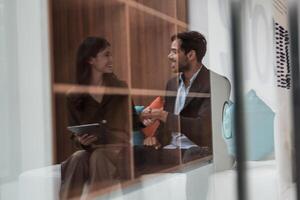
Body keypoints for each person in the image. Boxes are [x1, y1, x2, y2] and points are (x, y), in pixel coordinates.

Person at [60, 37, 141, 199]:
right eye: (106, 55)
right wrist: (81, 141)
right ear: (91, 60)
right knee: (77, 158)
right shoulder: (73, 96)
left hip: (119, 151)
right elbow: (73, 135)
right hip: (92, 150)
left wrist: (144, 120)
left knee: (99, 157)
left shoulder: (120, 88)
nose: (111, 59)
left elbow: (133, 123)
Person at [138, 31, 212, 169]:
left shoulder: (213, 83)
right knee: (132, 155)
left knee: (191, 156)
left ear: (191, 55)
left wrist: (163, 115)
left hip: (195, 150)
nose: (169, 56)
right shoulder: (172, 84)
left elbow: (202, 128)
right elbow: (166, 125)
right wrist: (155, 138)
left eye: (174, 52)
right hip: (172, 150)